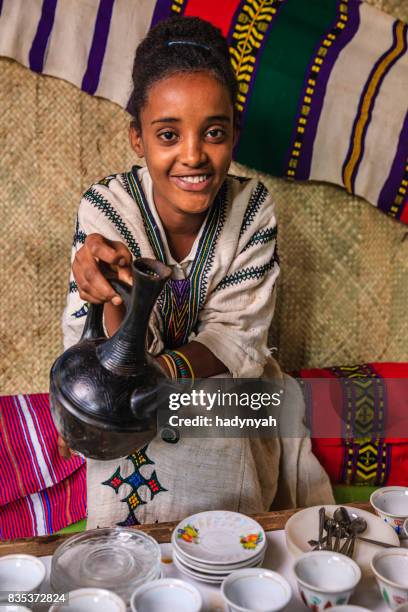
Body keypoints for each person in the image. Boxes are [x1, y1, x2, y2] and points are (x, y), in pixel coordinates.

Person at [61, 16, 334, 529]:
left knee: (216, 410)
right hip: (128, 393)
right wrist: (110, 291)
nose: (193, 155)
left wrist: (163, 375)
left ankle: (226, 554)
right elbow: (108, 363)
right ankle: (134, 553)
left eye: (213, 132)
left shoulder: (251, 208)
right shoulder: (107, 207)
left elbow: (236, 340)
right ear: (138, 139)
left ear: (235, 134)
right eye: (168, 133)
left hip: (221, 385)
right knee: (125, 417)